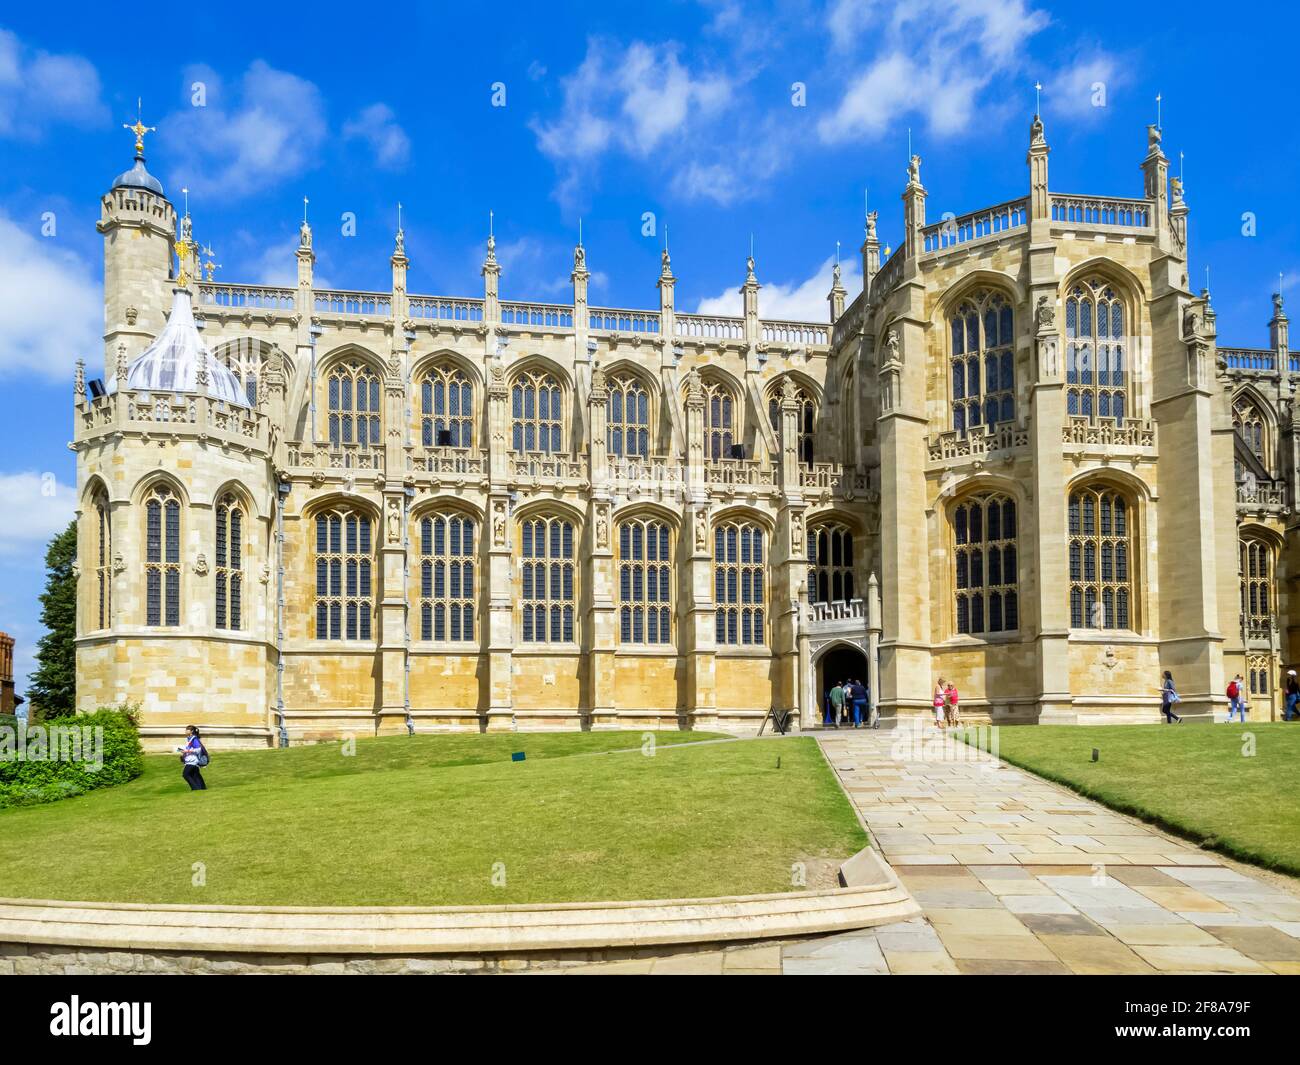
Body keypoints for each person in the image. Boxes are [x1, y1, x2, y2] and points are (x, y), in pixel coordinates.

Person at [177, 725, 207, 790]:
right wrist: (183, 751)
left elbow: (198, 749)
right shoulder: (189, 739)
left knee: (185, 774)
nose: (185, 731)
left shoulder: (194, 739)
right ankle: (202, 788)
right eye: (186, 729)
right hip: (190, 759)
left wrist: (187, 751)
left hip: (192, 760)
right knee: (195, 774)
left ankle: (195, 788)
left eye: (187, 730)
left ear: (191, 731)